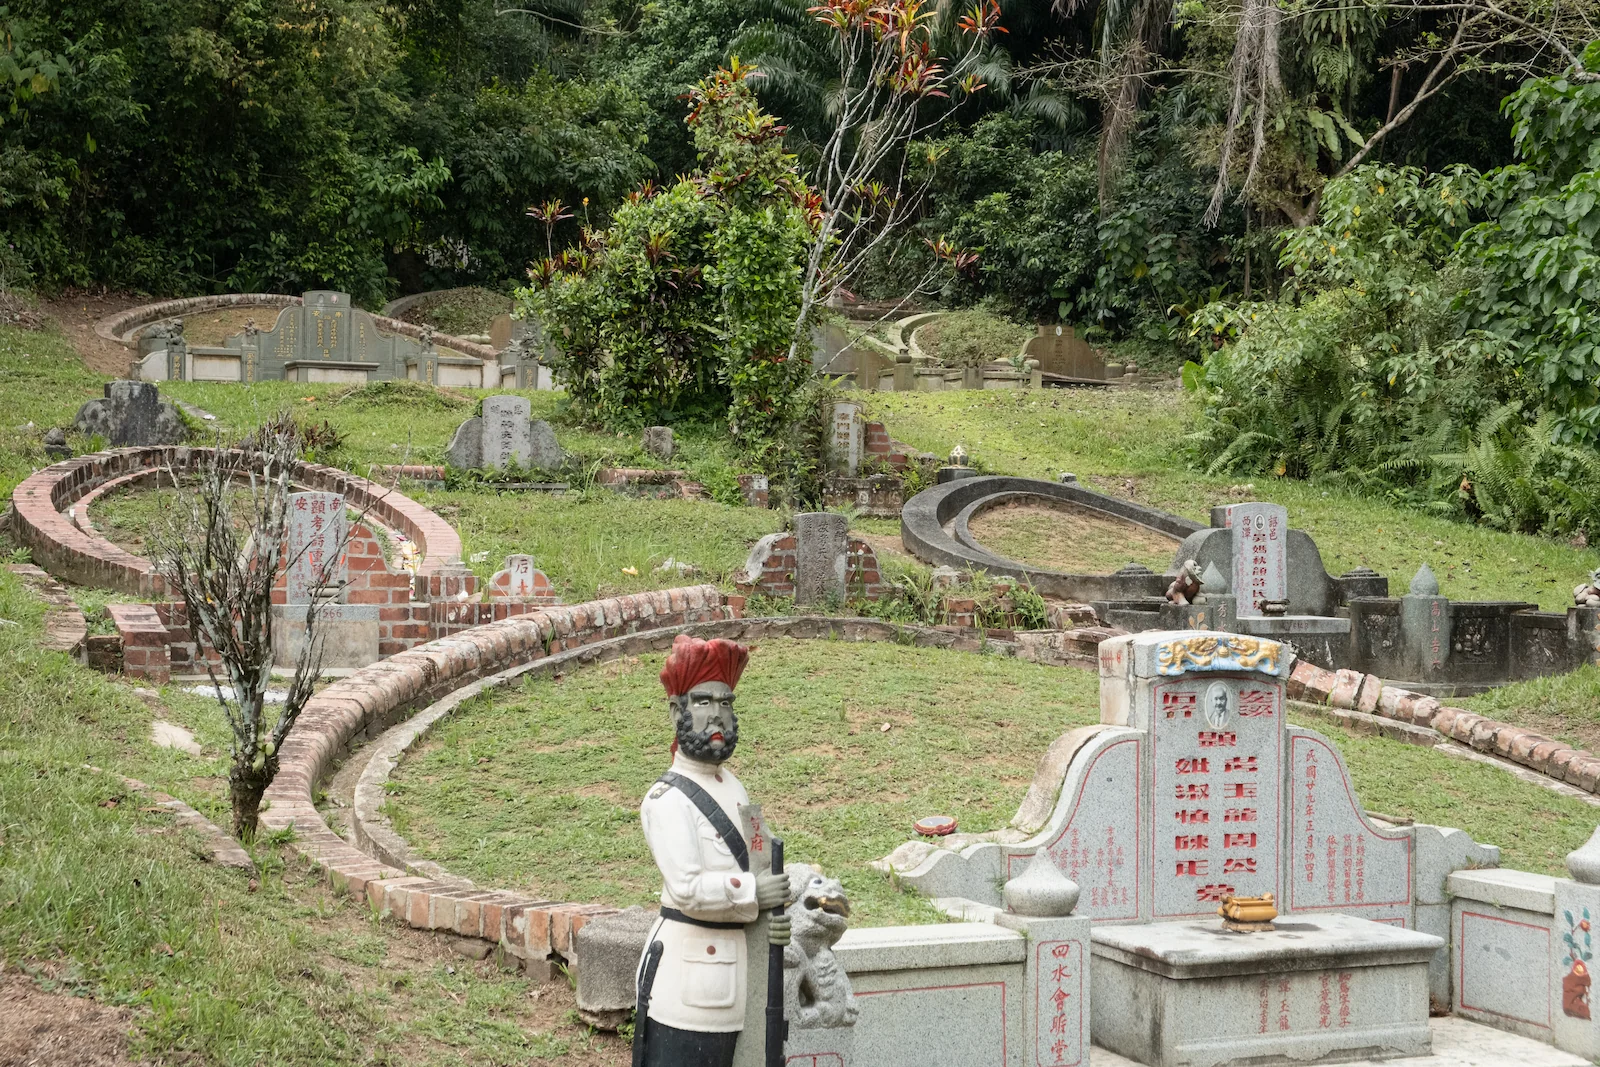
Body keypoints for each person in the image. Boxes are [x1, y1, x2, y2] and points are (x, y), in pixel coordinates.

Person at [634, 634, 790, 1067]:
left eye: (726, 703)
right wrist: (755, 892)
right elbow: (687, 887)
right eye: (703, 702)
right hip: (687, 986)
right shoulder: (665, 801)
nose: (718, 715)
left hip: (738, 979)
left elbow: (761, 852)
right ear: (676, 711)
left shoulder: (734, 786)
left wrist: (777, 899)